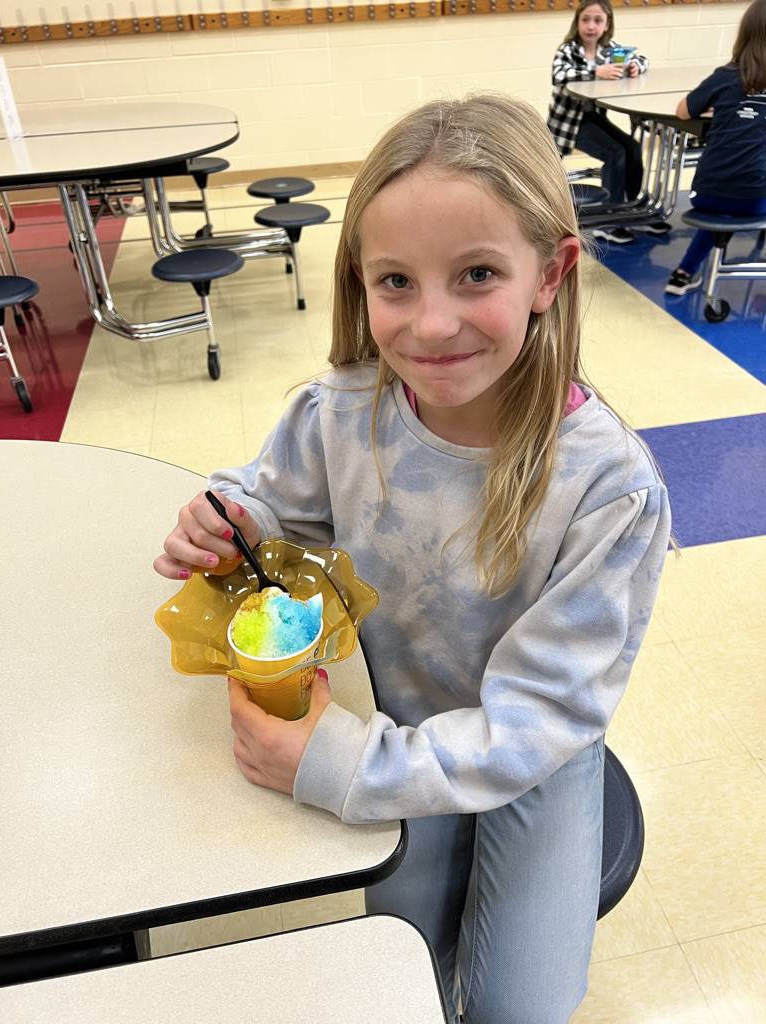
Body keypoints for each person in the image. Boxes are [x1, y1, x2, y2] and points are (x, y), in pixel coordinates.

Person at [154, 94, 671, 1024]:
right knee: (399, 965)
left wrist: (337, 766)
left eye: (477, 274)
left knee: (519, 1010)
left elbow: (538, 720)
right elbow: (275, 500)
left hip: (531, 753)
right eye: (397, 281)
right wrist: (231, 519)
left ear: (550, 273)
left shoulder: (609, 489)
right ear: (361, 281)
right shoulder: (339, 412)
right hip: (391, 728)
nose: (432, 325)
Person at [548, 0, 671, 244]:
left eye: (598, 21)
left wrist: (635, 66)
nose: (591, 26)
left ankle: (634, 209)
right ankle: (608, 222)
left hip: (593, 118)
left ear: (607, 25)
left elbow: (642, 59)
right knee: (615, 153)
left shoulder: (609, 49)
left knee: (632, 148)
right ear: (577, 22)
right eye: (585, 19)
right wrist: (596, 72)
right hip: (569, 124)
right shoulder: (568, 50)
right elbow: (559, 75)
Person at [666, 0, 766, 295]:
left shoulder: (724, 76)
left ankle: (683, 273)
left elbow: (683, 111)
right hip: (754, 199)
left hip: (706, 194)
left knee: (727, 200)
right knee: (746, 186)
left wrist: (726, 107)